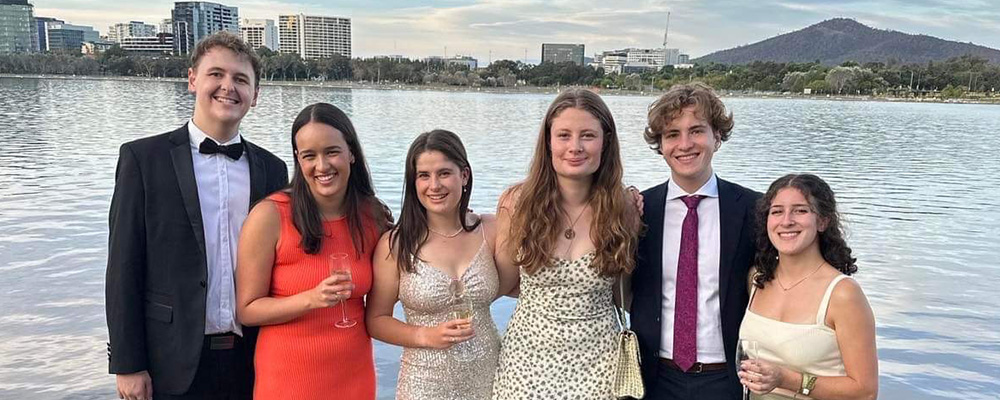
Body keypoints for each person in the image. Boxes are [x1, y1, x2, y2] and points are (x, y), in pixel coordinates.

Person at [106, 31, 288, 400]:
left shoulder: (273, 170)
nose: (228, 87)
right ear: (192, 80)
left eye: (241, 79)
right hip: (168, 361)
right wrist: (128, 363)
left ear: (255, 96)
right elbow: (123, 266)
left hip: (253, 360)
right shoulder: (143, 160)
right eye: (216, 74)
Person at [235, 102, 392, 400]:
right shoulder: (269, 216)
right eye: (309, 156)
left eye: (332, 152)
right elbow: (247, 310)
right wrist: (310, 299)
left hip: (354, 379)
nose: (322, 166)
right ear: (298, 159)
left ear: (351, 153)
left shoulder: (372, 217)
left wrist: (455, 222)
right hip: (289, 382)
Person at [492, 89, 641, 399]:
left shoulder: (623, 207)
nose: (575, 147)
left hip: (600, 363)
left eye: (587, 135)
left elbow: (624, 296)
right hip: (526, 363)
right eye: (563, 135)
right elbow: (504, 282)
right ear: (548, 142)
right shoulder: (516, 203)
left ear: (606, 142)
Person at [631, 82, 761, 400]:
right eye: (672, 134)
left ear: (717, 137)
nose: (685, 144)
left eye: (697, 131)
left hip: (727, 379)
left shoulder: (754, 209)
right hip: (654, 378)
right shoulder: (637, 212)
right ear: (660, 145)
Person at [366, 129, 512, 400]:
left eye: (444, 173)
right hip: (424, 382)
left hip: (489, 375)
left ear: (464, 175)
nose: (434, 185)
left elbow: (521, 285)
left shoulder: (491, 230)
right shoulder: (396, 245)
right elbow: (376, 320)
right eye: (424, 175)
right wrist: (426, 335)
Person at [737, 174, 878, 400]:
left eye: (800, 210)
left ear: (822, 221)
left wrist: (787, 379)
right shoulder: (757, 280)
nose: (786, 221)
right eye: (777, 211)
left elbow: (865, 391)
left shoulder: (842, 294)